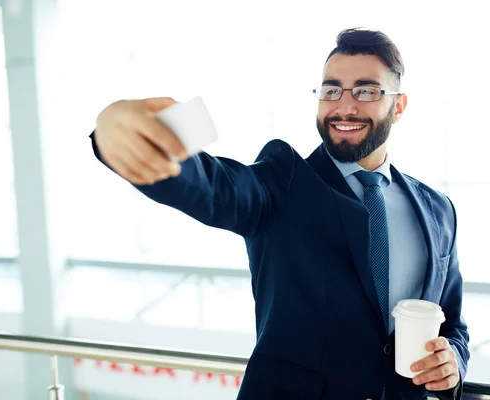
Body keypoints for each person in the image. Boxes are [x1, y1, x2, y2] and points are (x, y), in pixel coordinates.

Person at [90, 28, 469, 400]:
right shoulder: (283, 181)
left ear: (398, 106)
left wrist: (452, 360)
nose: (344, 106)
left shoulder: (437, 209)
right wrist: (117, 132)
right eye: (331, 90)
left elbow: (452, 325)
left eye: (367, 91)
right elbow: (212, 186)